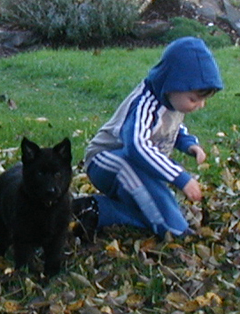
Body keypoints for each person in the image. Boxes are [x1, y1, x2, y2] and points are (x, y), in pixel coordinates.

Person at [73, 36, 223, 241]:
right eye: (194, 99)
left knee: (152, 200)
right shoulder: (145, 105)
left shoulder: (172, 101)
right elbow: (136, 147)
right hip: (106, 160)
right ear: (172, 84)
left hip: (136, 163)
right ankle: (176, 232)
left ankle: (98, 210)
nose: (200, 105)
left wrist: (189, 144)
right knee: (150, 190)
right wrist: (180, 177)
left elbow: (173, 127)